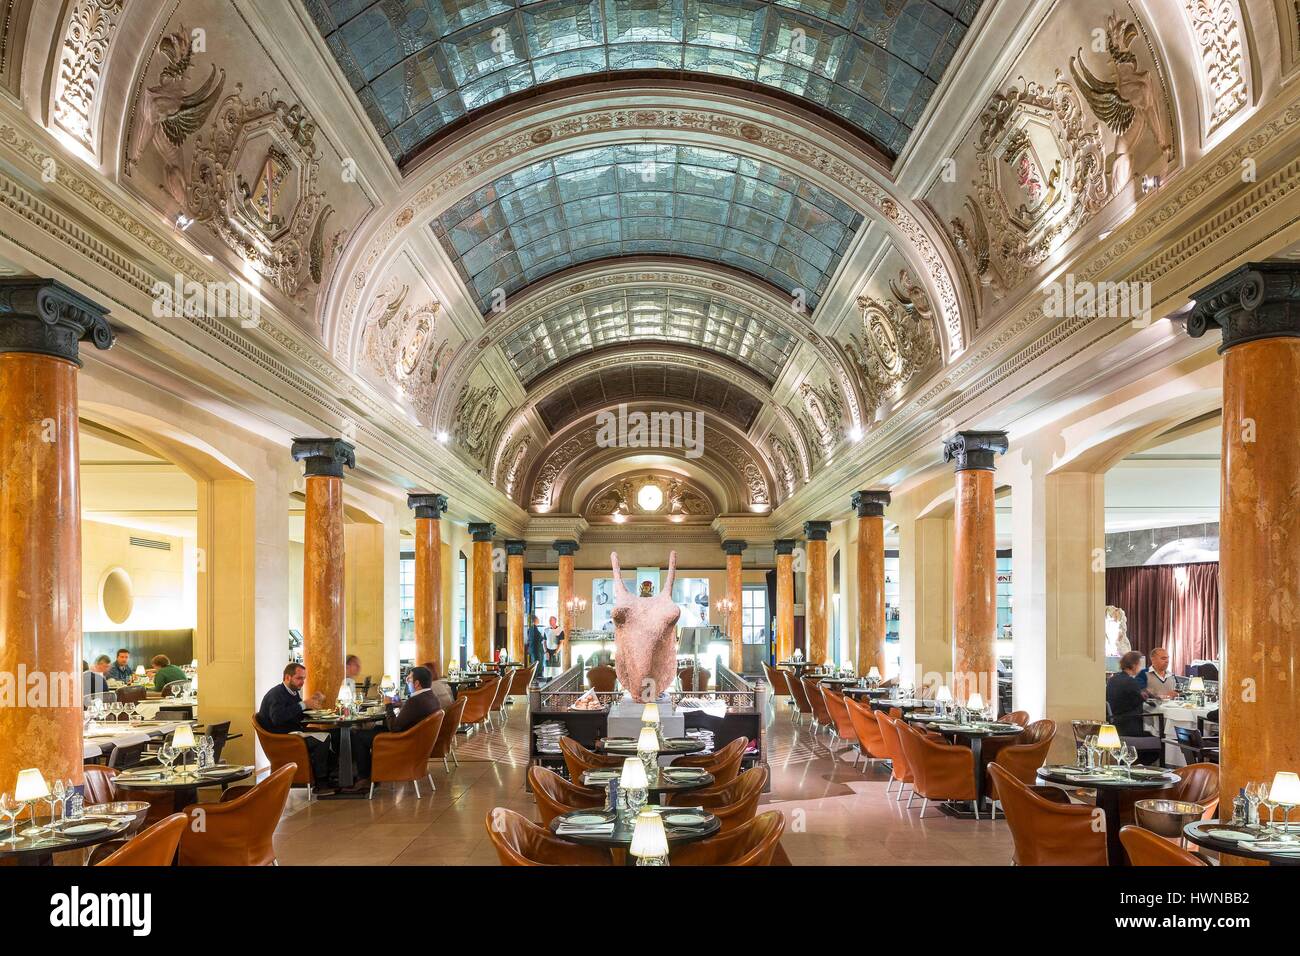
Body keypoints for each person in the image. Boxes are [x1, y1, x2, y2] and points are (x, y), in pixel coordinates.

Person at [257, 662, 333, 790]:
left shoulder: (292, 692)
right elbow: (278, 718)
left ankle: (333, 777)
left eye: (304, 678)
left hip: (292, 734)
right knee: (323, 741)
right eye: (299, 678)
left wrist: (312, 704)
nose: (302, 682)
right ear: (287, 677)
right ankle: (321, 783)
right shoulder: (276, 694)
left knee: (333, 735)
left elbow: (295, 716)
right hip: (282, 739)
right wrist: (303, 705)